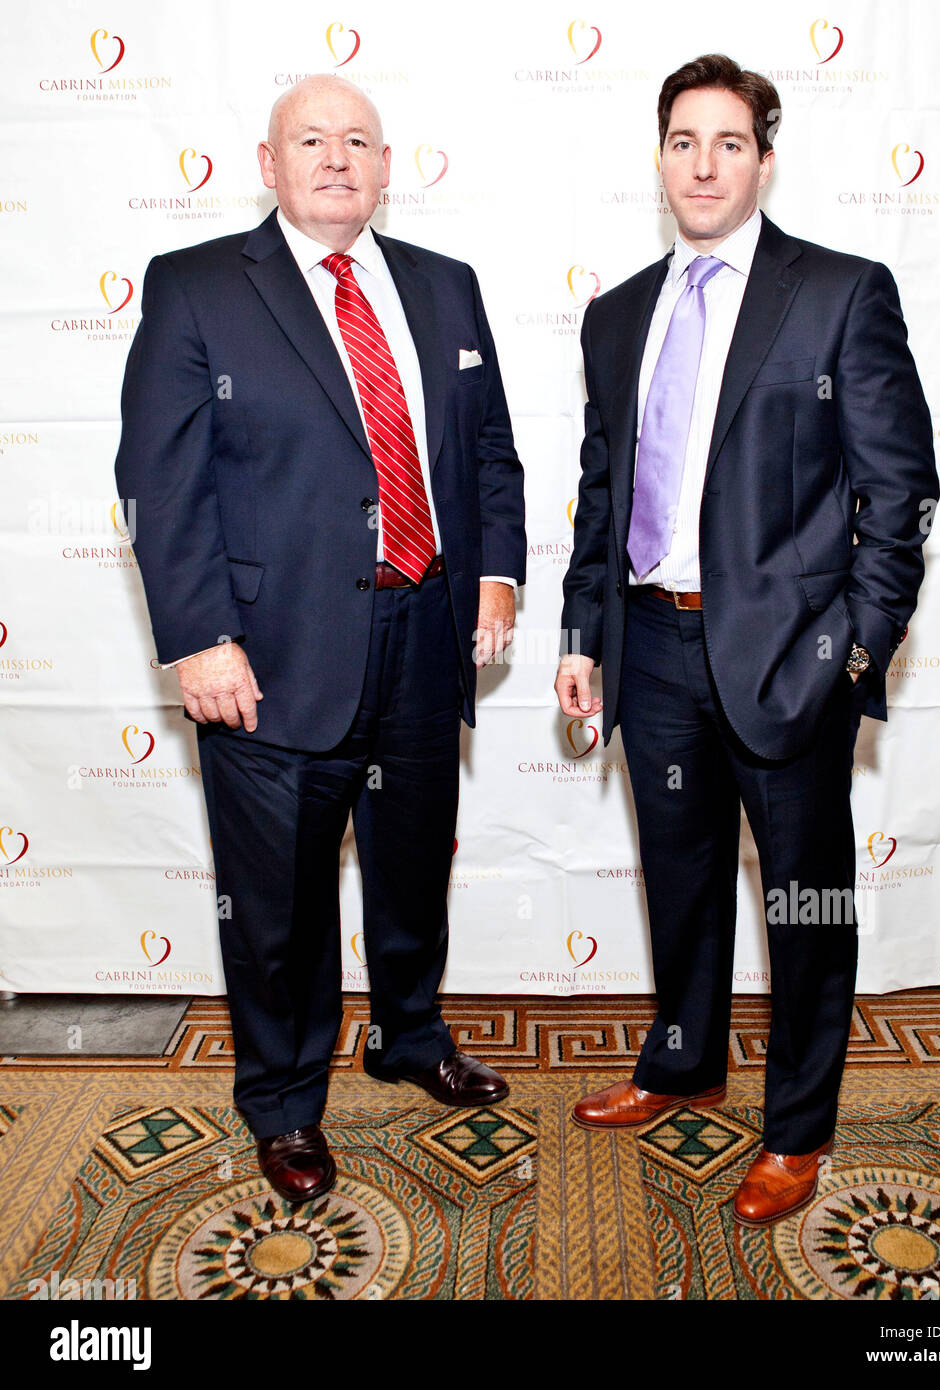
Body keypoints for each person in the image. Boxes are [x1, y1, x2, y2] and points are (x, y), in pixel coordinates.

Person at [116, 74, 526, 1205]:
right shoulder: (198, 287)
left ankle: (410, 1032)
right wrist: (198, 638)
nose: (337, 156)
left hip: (425, 630)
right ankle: (286, 1102)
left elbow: (488, 451)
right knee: (279, 900)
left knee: (408, 868)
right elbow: (158, 474)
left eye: (358, 139)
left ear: (388, 166)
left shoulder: (447, 289)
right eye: (312, 139)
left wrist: (494, 579)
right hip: (270, 648)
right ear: (269, 161)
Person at [555, 54, 937, 1226]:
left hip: (790, 657)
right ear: (659, 156)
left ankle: (797, 1127)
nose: (703, 163)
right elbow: (602, 483)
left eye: (729, 142)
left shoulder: (839, 291)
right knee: (680, 880)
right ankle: (682, 1061)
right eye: (683, 140)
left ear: (765, 160)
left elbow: (899, 492)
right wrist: (583, 629)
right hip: (652, 647)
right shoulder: (618, 313)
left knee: (805, 902)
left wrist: (855, 652)